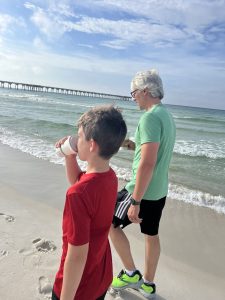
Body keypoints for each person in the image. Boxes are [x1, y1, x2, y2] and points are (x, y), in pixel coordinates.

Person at [110, 69, 176, 299]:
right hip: (159, 190)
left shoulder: (149, 117)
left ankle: (131, 273)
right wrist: (124, 143)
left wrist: (135, 200)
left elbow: (147, 163)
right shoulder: (165, 115)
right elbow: (147, 149)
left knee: (109, 222)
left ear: (145, 91)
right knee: (151, 235)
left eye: (134, 93)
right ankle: (148, 285)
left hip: (142, 190)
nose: (133, 97)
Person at [52, 105, 127, 300]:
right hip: (100, 278)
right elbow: (80, 181)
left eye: (79, 136)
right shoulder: (110, 177)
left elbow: (77, 256)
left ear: (92, 145)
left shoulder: (77, 195)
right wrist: (70, 155)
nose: (76, 141)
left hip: (79, 288)